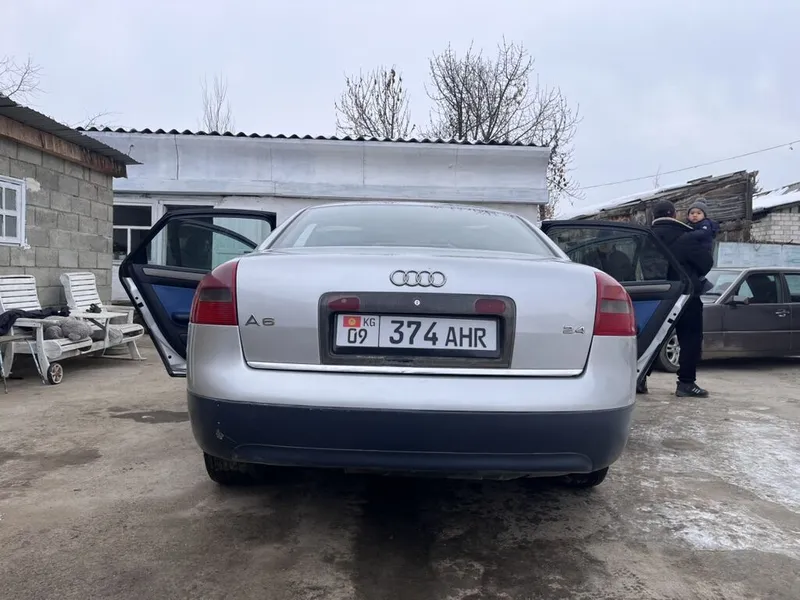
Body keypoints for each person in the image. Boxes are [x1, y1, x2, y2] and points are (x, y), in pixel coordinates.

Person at [638, 199, 714, 397]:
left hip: (653, 295)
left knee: (651, 336)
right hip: (685, 295)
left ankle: (639, 379)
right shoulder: (686, 237)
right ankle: (686, 383)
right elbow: (706, 263)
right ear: (673, 214)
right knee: (689, 339)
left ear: (654, 216)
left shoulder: (645, 237)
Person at [685, 198, 719, 294]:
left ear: (704, 215)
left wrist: (687, 235)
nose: (695, 215)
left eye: (698, 213)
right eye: (692, 213)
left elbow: (702, 233)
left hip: (703, 253)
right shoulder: (688, 225)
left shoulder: (705, 224)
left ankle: (704, 286)